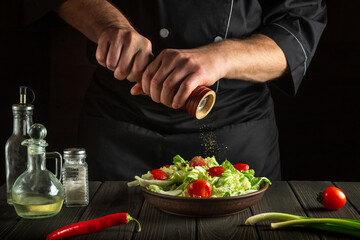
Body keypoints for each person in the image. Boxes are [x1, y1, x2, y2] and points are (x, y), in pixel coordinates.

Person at [15, 0, 327, 181]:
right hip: (118, 131)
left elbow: (299, 24)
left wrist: (222, 57)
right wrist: (109, 26)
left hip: (235, 132)